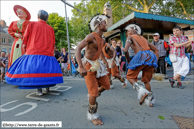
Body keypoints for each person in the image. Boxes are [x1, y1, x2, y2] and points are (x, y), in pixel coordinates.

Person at [6, 10, 63, 95]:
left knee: (37, 71)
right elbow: (53, 42)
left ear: (37, 17)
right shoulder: (50, 28)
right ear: (47, 19)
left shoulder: (32, 24)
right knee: (47, 71)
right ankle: (48, 87)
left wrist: (24, 46)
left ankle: (39, 89)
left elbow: (26, 37)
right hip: (47, 53)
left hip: (34, 51)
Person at [75, 14, 111, 125]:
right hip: (87, 66)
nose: (106, 24)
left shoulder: (102, 39)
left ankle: (92, 95)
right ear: (99, 25)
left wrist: (105, 63)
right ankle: (92, 115)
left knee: (107, 85)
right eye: (105, 22)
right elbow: (78, 48)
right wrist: (80, 66)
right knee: (94, 92)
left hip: (97, 65)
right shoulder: (91, 36)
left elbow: (99, 52)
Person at [124, 24, 159, 107]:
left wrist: (129, 62)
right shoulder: (144, 38)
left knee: (129, 77)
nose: (127, 33)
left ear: (132, 31)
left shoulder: (130, 37)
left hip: (140, 57)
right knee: (146, 80)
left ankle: (144, 92)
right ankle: (149, 102)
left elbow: (125, 51)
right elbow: (156, 50)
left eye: (128, 31)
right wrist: (155, 64)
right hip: (150, 56)